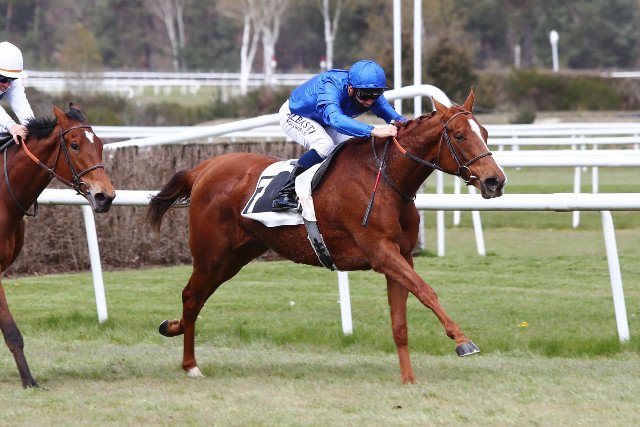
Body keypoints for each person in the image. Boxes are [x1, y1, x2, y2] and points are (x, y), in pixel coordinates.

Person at [272, 59, 406, 212]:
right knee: (324, 145)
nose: (369, 102)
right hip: (295, 114)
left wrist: (412, 127)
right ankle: (284, 193)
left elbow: (395, 118)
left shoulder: (367, 89)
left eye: (375, 96)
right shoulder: (331, 85)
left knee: (357, 144)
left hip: (324, 120)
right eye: (364, 96)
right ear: (350, 89)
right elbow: (335, 120)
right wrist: (373, 130)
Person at [0, 41, 34, 144]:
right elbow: (10, 126)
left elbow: (20, 103)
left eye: (11, 79)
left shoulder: (12, 77)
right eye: (3, 79)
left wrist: (33, 127)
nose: (7, 84)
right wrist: (12, 126)